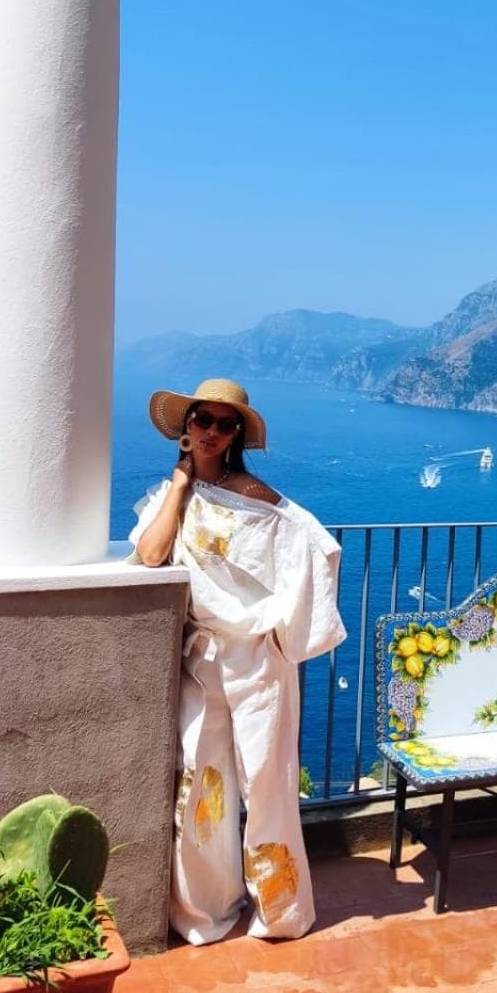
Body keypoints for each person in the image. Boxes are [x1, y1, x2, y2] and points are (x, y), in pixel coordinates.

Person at [131, 378, 346, 944]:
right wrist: (181, 485)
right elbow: (151, 554)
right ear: (186, 426)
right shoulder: (172, 494)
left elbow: (317, 546)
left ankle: (281, 912)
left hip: (258, 661)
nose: (211, 432)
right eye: (202, 420)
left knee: (267, 783)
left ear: (235, 436)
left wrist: (282, 630)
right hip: (203, 661)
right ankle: (204, 912)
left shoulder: (257, 496)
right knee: (200, 786)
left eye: (224, 425)